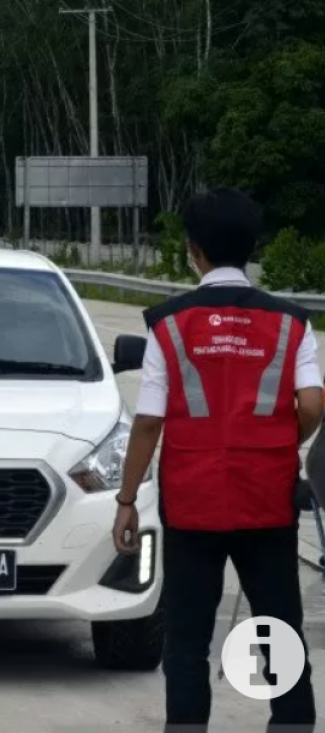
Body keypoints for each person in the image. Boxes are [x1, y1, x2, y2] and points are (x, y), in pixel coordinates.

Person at [112, 187, 324, 733]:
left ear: (193, 251)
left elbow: (150, 420)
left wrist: (128, 499)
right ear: (253, 246)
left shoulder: (169, 323)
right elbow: (312, 404)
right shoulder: (291, 324)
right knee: (279, 631)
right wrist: (279, 439)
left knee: (186, 641)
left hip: (193, 503)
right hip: (268, 502)